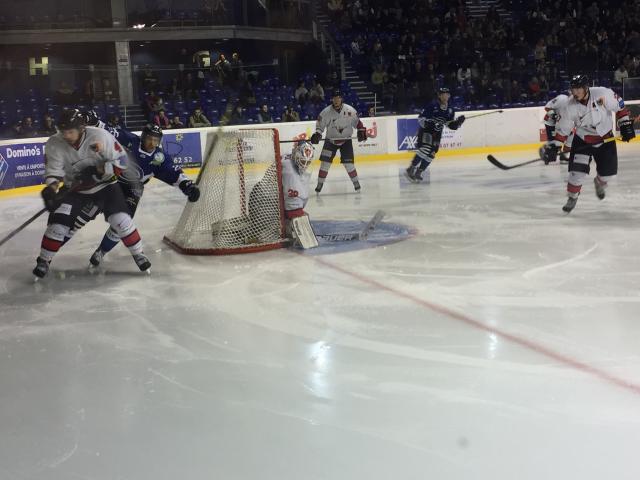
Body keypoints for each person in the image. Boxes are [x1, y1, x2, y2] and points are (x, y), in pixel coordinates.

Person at [32, 109, 151, 279]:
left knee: (122, 221)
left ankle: (139, 254)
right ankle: (44, 260)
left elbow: (122, 161)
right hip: (75, 189)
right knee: (58, 225)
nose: (66, 135)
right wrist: (51, 190)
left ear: (81, 128)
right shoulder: (54, 143)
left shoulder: (100, 136)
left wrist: (99, 170)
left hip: (106, 186)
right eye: (63, 131)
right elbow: (54, 171)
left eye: (70, 131)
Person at [88, 125, 200, 266]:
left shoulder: (160, 158)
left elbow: (175, 174)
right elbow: (109, 130)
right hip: (111, 182)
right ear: (142, 137)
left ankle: (101, 252)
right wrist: (94, 121)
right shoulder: (130, 140)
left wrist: (188, 186)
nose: (152, 143)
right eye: (149, 139)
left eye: (155, 140)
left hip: (133, 190)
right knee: (87, 211)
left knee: (122, 223)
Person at [543, 74, 636, 213]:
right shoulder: (569, 106)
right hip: (582, 140)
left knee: (607, 174)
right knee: (576, 174)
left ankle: (599, 182)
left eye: (578, 89)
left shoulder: (603, 93)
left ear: (586, 87)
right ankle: (572, 197)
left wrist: (625, 125)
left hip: (606, 139)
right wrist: (554, 146)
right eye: (573, 89)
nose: (575, 92)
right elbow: (563, 131)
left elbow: (620, 108)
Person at [310, 89, 367, 193]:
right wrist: (318, 134)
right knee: (325, 164)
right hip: (330, 141)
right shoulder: (326, 112)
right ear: (332, 99)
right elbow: (320, 126)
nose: (336, 100)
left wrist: (361, 131)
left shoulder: (350, 110)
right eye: (334, 98)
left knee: (349, 165)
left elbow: (358, 123)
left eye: (338, 98)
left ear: (341, 99)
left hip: (346, 141)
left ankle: (356, 183)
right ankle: (319, 184)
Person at [406, 87, 465, 182]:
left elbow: (449, 124)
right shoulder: (432, 105)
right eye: (442, 94)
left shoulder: (450, 109)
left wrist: (457, 123)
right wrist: (430, 124)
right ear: (439, 95)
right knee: (426, 149)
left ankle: (419, 172)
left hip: (437, 134)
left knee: (432, 154)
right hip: (426, 131)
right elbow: (421, 119)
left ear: (449, 95)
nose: (445, 95)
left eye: (446, 94)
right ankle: (411, 168)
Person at [539, 93, 571, 163]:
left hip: (561, 123)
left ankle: (563, 156)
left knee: (568, 139)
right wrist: (554, 115)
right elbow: (547, 107)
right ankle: (545, 151)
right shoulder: (562, 98)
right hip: (551, 123)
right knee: (554, 143)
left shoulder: (577, 104)